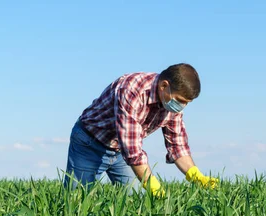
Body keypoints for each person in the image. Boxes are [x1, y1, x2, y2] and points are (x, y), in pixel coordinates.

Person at [64, 63, 218, 196]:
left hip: (119, 152)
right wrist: (152, 185)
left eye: (186, 103)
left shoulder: (171, 106)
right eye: (180, 101)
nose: (181, 106)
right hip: (89, 143)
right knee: (78, 201)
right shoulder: (131, 89)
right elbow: (131, 148)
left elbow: (177, 145)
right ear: (164, 86)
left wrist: (195, 175)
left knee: (133, 201)